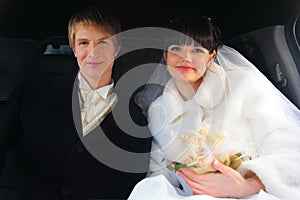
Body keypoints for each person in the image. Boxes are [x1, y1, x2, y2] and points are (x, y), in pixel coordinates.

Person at [129, 16, 300, 200]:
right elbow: (159, 170)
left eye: (196, 50)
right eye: (176, 49)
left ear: (211, 57)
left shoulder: (243, 85)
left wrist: (249, 184)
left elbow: (290, 148)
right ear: (165, 55)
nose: (185, 58)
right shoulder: (158, 109)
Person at [18, 6, 152, 199]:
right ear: (73, 49)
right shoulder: (39, 91)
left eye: (103, 43)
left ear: (117, 49)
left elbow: (133, 180)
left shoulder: (136, 115)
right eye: (83, 43)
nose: (93, 52)